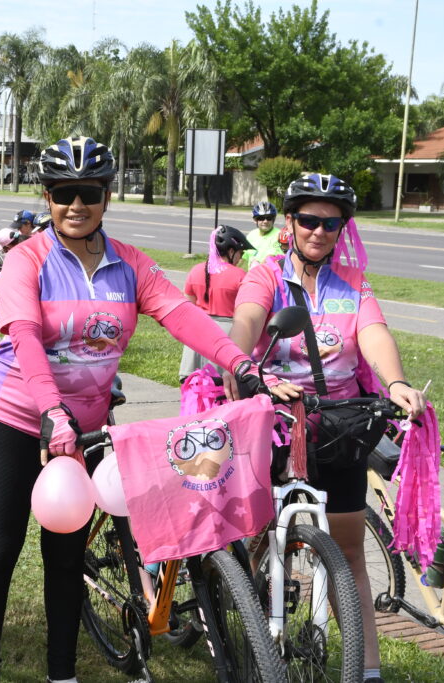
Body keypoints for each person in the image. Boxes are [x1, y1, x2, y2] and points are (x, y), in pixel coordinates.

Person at [0, 136, 257, 683]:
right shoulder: (29, 258)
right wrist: (52, 410)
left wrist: (236, 362)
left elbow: (180, 315)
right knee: (0, 549)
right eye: (64, 193)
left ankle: (62, 674)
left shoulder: (129, 265)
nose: (76, 205)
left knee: (67, 555)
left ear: (106, 196)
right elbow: (24, 336)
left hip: (84, 427)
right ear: (47, 196)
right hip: (9, 412)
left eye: (89, 193)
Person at [229, 173, 426, 683]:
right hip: (272, 420)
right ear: (290, 223)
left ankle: (367, 671)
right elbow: (247, 323)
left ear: (342, 229)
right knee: (258, 536)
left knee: (350, 550)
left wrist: (398, 383)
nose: (319, 231)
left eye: (331, 223)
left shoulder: (354, 283)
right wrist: (251, 370)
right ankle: (251, 630)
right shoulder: (266, 275)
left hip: (337, 428)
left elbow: (374, 332)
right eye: (309, 220)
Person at [178, 225, 256, 380]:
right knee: (221, 391)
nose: (240, 258)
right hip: (226, 336)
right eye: (240, 253)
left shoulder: (195, 270)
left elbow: (188, 305)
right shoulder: (241, 275)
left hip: (196, 334)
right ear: (231, 251)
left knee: (195, 388)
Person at [244, 200, 284, 268]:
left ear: (273, 219)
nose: (265, 221)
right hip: (250, 276)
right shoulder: (251, 235)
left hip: (269, 276)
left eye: (269, 218)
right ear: (255, 220)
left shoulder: (280, 235)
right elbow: (244, 259)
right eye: (261, 218)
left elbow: (278, 258)